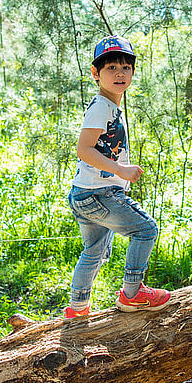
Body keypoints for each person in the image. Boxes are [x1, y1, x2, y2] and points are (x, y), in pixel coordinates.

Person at [65, 35, 171, 318]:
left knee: (95, 251)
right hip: (98, 193)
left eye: (126, 67)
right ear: (96, 73)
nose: (120, 73)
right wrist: (121, 171)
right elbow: (84, 149)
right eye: (111, 68)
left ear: (133, 72)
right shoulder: (101, 106)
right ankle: (133, 294)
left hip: (85, 193)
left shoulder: (111, 106)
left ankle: (77, 307)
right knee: (146, 230)